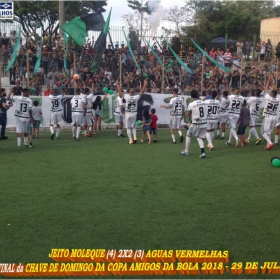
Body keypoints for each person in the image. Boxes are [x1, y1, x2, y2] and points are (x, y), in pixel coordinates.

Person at [116, 79, 147, 144]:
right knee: (133, 127)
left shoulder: (126, 96)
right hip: (134, 113)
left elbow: (120, 92)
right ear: (134, 92)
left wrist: (117, 85)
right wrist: (144, 84)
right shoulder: (136, 97)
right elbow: (142, 92)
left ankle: (130, 140)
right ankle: (135, 137)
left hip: (128, 114)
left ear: (129, 92)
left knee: (128, 128)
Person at [181, 90, 207, 158]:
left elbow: (187, 115)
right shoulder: (203, 102)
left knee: (188, 135)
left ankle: (186, 151)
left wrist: (187, 113)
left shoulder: (191, 104)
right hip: (204, 122)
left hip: (196, 123)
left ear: (191, 96)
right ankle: (203, 152)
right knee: (199, 137)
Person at [261, 75, 280, 150]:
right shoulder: (278, 99)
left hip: (267, 116)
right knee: (268, 132)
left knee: (263, 132)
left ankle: (270, 142)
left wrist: (269, 81)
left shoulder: (268, 97)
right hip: (274, 117)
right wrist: (273, 82)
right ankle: (268, 145)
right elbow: (275, 91)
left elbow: (265, 90)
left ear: (271, 93)